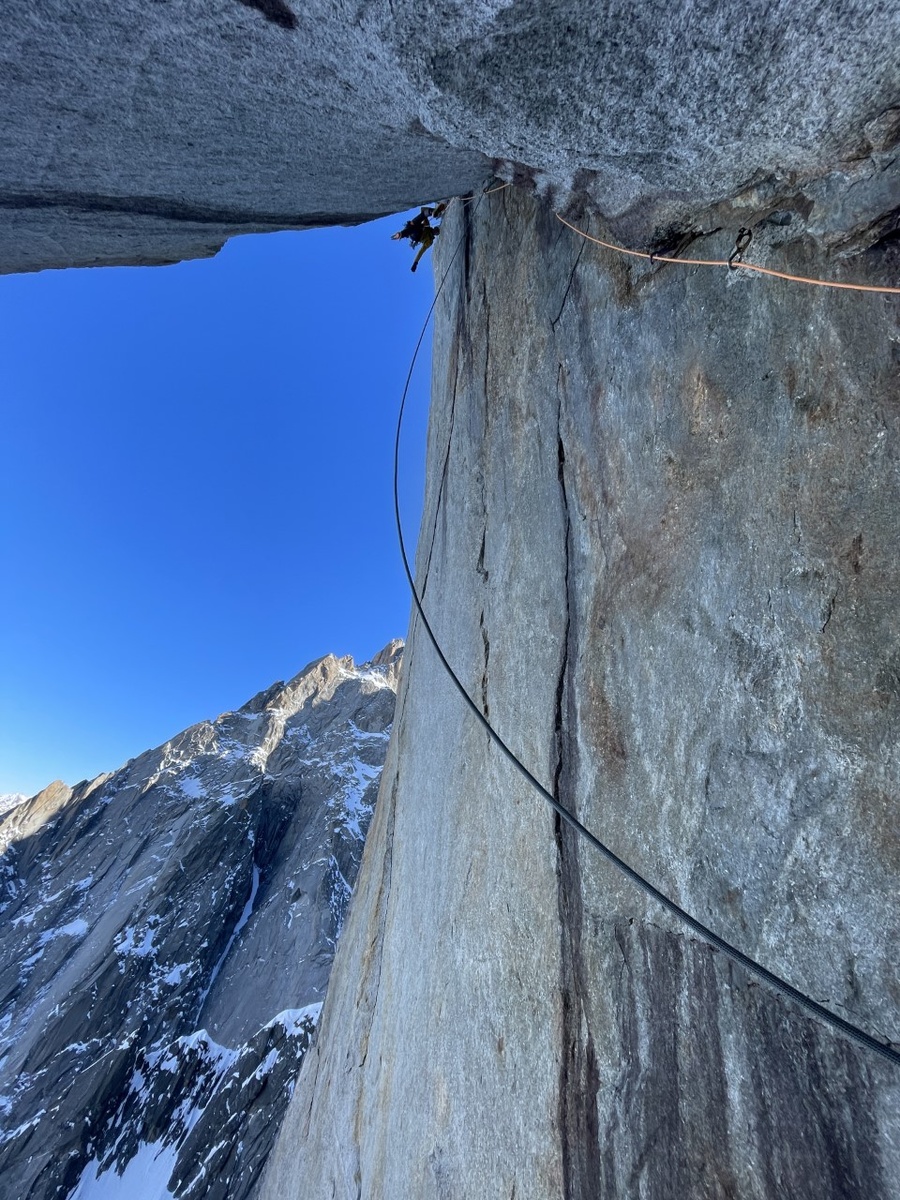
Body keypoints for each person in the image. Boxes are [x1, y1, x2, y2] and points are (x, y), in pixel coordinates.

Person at [392, 203, 448, 272]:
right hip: (416, 233)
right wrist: (415, 263)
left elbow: (421, 252)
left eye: (436, 231)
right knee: (416, 223)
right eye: (436, 230)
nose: (435, 230)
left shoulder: (429, 236)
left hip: (414, 232)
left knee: (414, 223)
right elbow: (421, 252)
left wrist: (415, 263)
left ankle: (401, 234)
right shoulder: (429, 237)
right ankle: (434, 212)